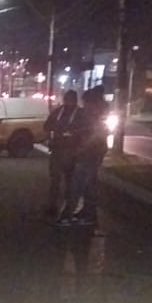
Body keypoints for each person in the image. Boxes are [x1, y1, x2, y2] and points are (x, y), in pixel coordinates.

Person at [63, 86, 110, 224]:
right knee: (88, 183)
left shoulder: (97, 116)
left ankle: (81, 214)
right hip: (90, 152)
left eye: (86, 103)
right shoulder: (94, 115)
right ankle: (86, 212)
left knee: (83, 183)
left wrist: (81, 148)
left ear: (92, 103)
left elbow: (96, 137)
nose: (84, 105)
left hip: (92, 153)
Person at [43, 89, 84, 220]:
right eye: (68, 100)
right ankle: (53, 205)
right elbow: (47, 126)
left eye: (71, 100)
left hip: (72, 151)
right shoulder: (58, 112)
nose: (69, 103)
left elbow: (86, 132)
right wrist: (50, 139)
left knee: (69, 181)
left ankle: (68, 207)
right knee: (56, 180)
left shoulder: (79, 114)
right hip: (58, 150)